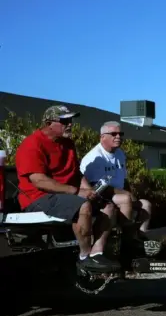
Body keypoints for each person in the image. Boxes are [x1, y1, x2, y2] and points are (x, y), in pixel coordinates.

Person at [15, 105, 121, 272]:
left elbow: (76, 174)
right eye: (64, 121)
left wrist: (90, 191)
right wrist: (78, 192)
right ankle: (84, 258)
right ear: (49, 124)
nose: (70, 124)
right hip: (37, 197)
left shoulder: (68, 144)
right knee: (83, 206)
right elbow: (39, 181)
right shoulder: (32, 144)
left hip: (66, 195)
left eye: (70, 120)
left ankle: (96, 253)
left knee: (108, 207)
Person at [80, 121, 152, 240]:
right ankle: (125, 239)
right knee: (126, 199)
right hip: (101, 196)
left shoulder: (119, 153)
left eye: (120, 134)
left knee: (146, 205)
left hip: (117, 194)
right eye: (114, 134)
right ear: (102, 137)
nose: (118, 137)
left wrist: (130, 193)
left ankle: (140, 237)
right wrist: (127, 194)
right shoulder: (94, 157)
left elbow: (124, 179)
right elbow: (97, 187)